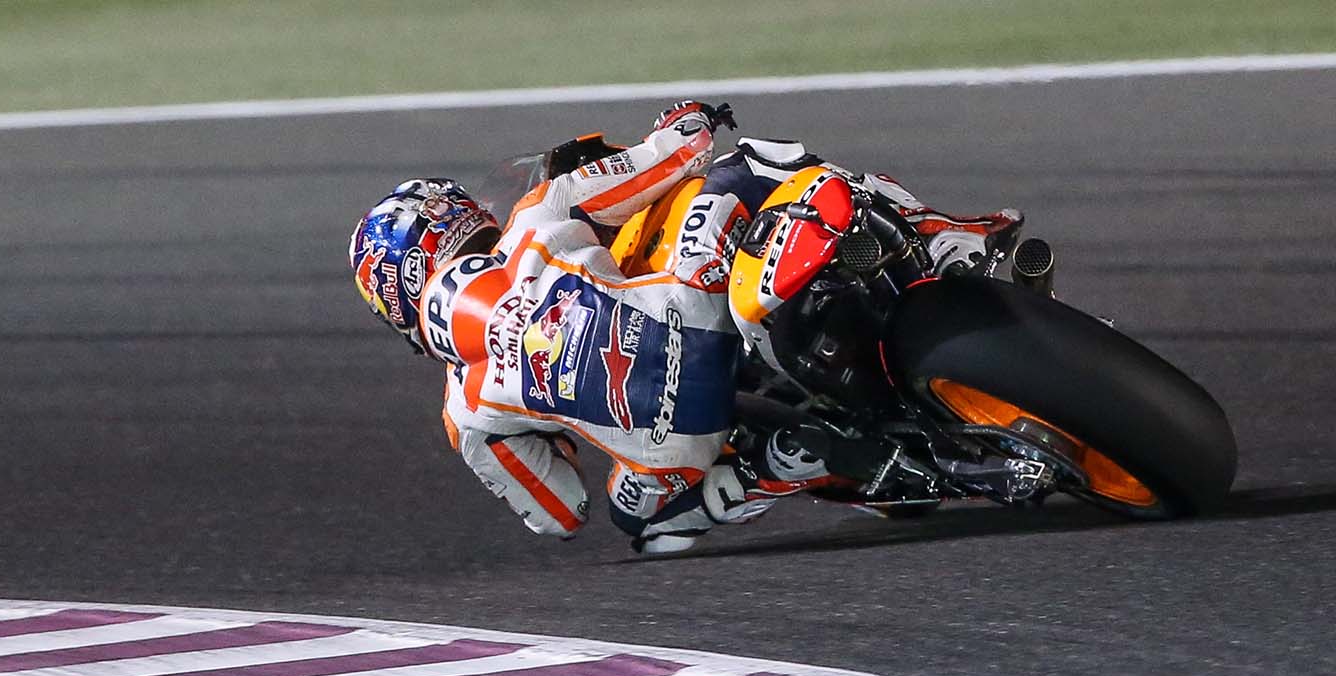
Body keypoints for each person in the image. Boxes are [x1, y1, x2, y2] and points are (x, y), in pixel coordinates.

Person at [348, 102, 1019, 554]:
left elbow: (561, 514)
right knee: (749, 164)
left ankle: (774, 468)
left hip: (673, 445)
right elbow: (675, 155)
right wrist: (688, 120)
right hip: (695, 316)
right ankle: (939, 237)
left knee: (637, 518)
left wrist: (551, 416)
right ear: (457, 218)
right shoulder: (533, 215)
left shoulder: (463, 416)